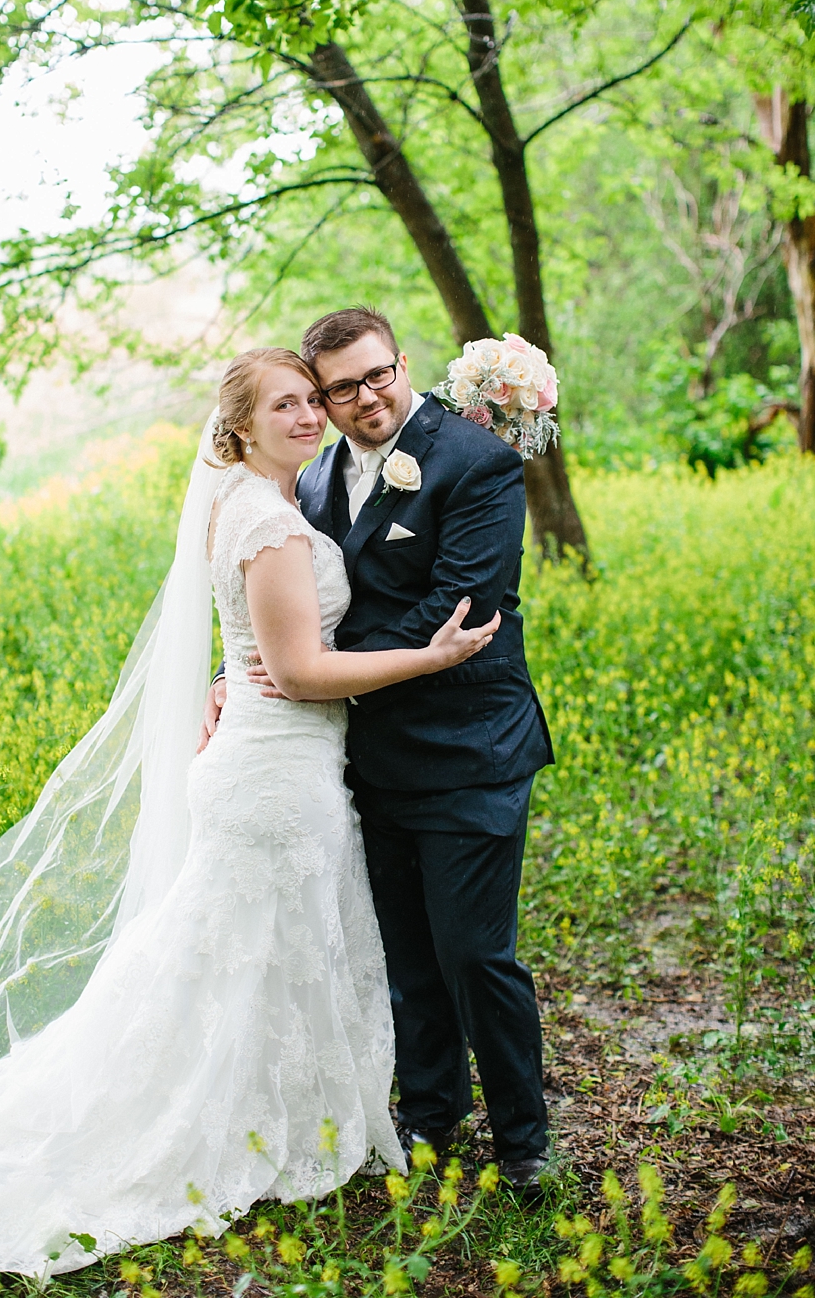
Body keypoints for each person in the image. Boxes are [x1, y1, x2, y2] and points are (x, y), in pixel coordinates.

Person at [0, 347, 498, 1291]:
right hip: (274, 775)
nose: (309, 417)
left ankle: (270, 1112)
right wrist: (429, 658)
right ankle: (218, 1125)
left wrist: (233, 675)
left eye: (314, 400)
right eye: (285, 406)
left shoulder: (260, 503)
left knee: (240, 953)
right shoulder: (269, 522)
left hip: (276, 763)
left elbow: (263, 643)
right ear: (240, 427)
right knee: (246, 950)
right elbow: (300, 671)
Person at [204, 306, 553, 1185]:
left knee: (473, 953)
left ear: (402, 363)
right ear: (322, 398)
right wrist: (238, 669)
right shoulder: (315, 478)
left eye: (377, 375)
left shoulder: (476, 461)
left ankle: (525, 1142)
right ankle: (431, 1120)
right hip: (364, 758)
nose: (365, 399)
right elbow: (285, 596)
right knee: (404, 954)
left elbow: (461, 603)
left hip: (468, 749)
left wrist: (311, 671)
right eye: (340, 389)